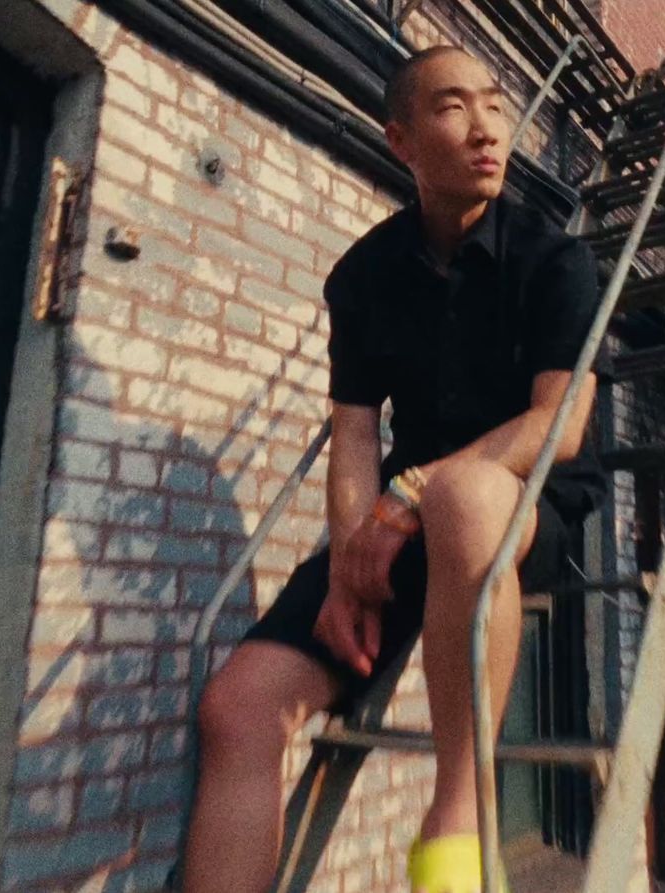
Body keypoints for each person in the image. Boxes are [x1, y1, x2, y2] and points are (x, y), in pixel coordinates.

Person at [183, 45, 604, 893]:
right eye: (455, 107)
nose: (488, 128)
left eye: (495, 103)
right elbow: (353, 435)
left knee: (470, 495)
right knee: (237, 707)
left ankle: (461, 814)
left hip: (522, 506)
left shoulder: (554, 260)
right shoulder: (365, 276)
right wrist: (347, 568)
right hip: (401, 525)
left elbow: (559, 424)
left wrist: (413, 494)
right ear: (403, 141)